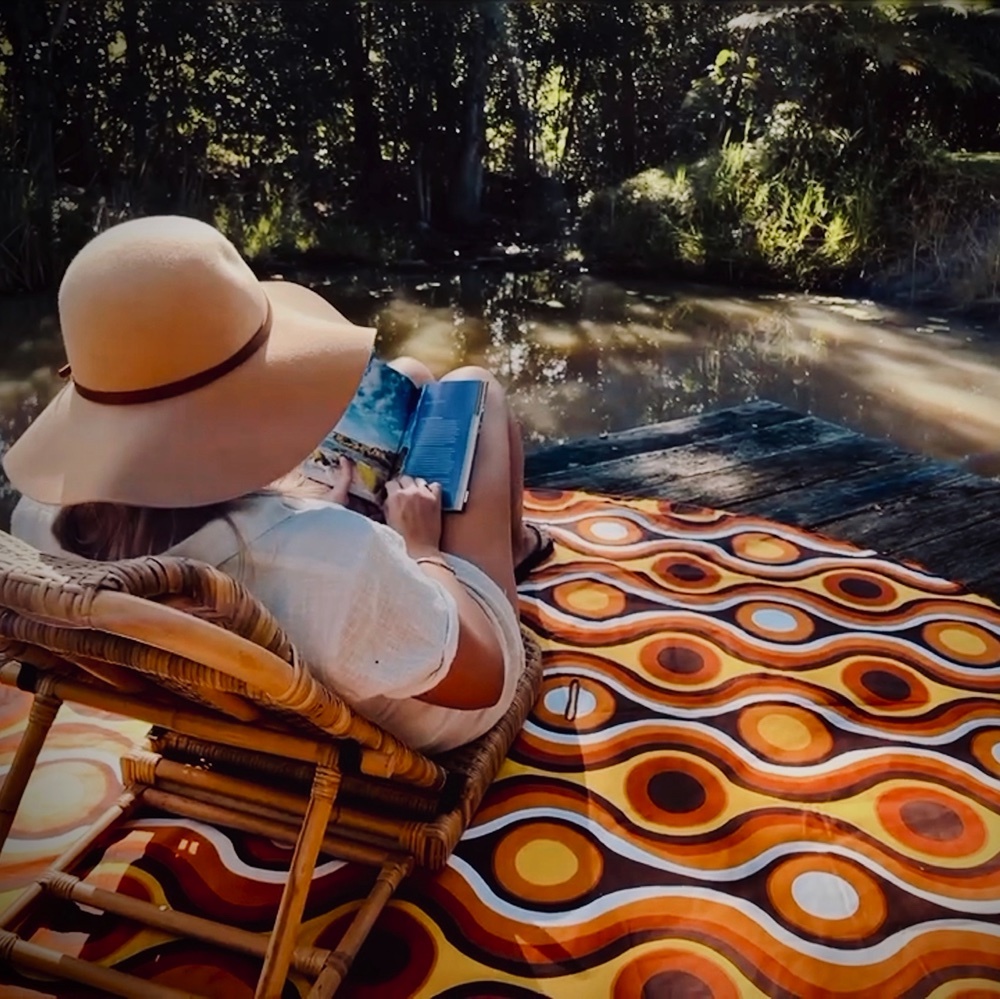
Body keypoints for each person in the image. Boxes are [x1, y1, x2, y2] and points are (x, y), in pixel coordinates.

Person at [3, 215, 553, 753]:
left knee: (408, 374)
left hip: (239, 697)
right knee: (472, 387)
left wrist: (304, 512)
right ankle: (513, 551)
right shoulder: (338, 559)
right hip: (427, 707)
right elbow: (482, 679)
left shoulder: (36, 520)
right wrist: (422, 548)